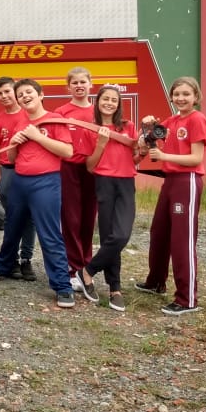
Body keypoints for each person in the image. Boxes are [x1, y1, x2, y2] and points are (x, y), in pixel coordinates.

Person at [0, 78, 76, 309]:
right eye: (21, 94)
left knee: (49, 234)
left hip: (46, 182)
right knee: (11, 227)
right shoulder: (20, 121)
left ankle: (62, 286)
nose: (25, 96)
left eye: (28, 92)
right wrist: (13, 143)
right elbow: (12, 159)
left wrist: (38, 136)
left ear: (41, 94)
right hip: (20, 181)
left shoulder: (54, 119)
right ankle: (2, 266)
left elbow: (68, 151)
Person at [135, 76, 206, 315]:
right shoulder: (173, 120)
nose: (181, 98)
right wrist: (148, 125)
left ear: (196, 97)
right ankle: (156, 282)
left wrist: (165, 158)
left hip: (187, 181)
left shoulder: (197, 120)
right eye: (177, 94)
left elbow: (196, 158)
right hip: (170, 181)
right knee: (159, 232)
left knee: (182, 240)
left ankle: (187, 299)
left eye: (186, 94)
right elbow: (152, 136)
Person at [76, 85, 140, 311]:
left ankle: (87, 271)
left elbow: (136, 159)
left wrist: (142, 149)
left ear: (119, 104)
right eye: (106, 99)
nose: (110, 103)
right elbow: (90, 166)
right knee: (108, 235)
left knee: (121, 235)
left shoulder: (128, 126)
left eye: (114, 100)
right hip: (103, 182)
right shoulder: (90, 129)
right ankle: (115, 288)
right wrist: (101, 144)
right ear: (98, 102)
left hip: (126, 182)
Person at [55, 66, 98, 292]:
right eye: (75, 83)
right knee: (71, 219)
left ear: (91, 84)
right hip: (69, 169)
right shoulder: (61, 112)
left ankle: (86, 267)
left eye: (83, 82)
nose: (79, 86)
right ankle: (72, 269)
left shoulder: (98, 112)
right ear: (68, 87)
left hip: (93, 170)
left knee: (89, 219)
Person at [0, 76, 37, 280]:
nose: (4, 96)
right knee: (12, 219)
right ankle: (12, 261)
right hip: (8, 171)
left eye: (8, 91)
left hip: (28, 171)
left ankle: (26, 259)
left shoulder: (30, 116)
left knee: (30, 218)